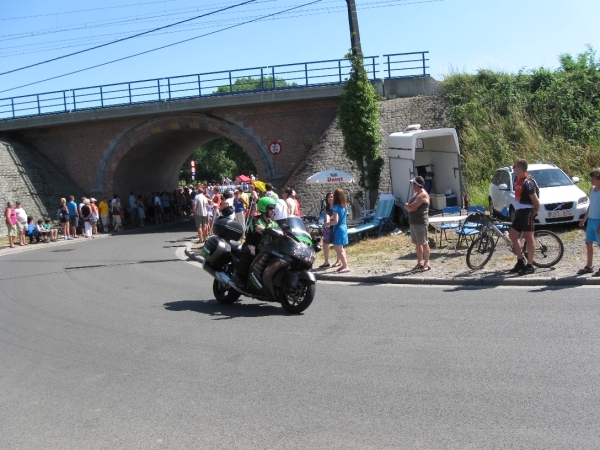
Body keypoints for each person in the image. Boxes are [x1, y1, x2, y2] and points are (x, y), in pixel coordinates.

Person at [232, 197, 279, 285]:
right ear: (264, 208)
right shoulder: (255, 219)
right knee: (251, 252)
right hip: (252, 245)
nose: (273, 210)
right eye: (271, 208)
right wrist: (266, 230)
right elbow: (257, 227)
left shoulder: (273, 223)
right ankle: (238, 275)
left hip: (265, 248)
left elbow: (280, 231)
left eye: (273, 208)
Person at [508, 159, 540, 275]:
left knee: (528, 237)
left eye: (514, 166)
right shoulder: (517, 179)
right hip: (520, 211)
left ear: (520, 168)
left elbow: (536, 201)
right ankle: (520, 261)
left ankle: (530, 265)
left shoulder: (528, 182)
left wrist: (535, 211)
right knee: (512, 234)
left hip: (528, 211)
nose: (513, 168)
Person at [405, 176, 431, 271]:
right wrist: (408, 206)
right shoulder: (416, 194)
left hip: (420, 222)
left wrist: (409, 207)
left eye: (413, 184)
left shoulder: (422, 195)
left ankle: (427, 263)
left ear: (417, 185)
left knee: (424, 243)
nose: (412, 185)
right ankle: (420, 262)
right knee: (417, 243)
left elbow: (412, 207)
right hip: (414, 222)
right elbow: (409, 206)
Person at [577, 168, 600, 276]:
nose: (591, 180)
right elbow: (591, 205)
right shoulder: (592, 190)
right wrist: (584, 218)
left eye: (593, 178)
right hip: (591, 220)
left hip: (599, 220)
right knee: (588, 242)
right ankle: (589, 266)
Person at [324, 188, 350, 273]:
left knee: (339, 249)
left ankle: (346, 266)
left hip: (338, 230)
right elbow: (340, 217)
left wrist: (326, 224)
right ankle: (344, 265)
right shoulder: (345, 206)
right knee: (341, 249)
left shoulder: (335, 207)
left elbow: (335, 221)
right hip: (344, 228)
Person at [318, 192, 340, 268]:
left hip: (335, 227)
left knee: (337, 245)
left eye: (331, 197)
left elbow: (337, 218)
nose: (330, 198)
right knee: (325, 244)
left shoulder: (336, 207)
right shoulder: (327, 208)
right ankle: (326, 261)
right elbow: (325, 218)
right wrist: (324, 227)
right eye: (328, 197)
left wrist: (329, 220)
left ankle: (338, 261)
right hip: (328, 228)